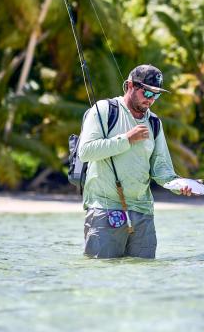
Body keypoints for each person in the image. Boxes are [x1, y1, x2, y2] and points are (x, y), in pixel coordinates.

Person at [77, 64, 193, 259]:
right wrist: (127, 139)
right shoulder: (105, 110)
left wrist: (179, 185)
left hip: (142, 212)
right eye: (147, 92)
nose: (151, 99)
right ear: (130, 85)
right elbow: (85, 151)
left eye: (156, 95)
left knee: (145, 276)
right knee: (102, 274)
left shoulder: (154, 122)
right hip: (105, 209)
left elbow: (161, 169)